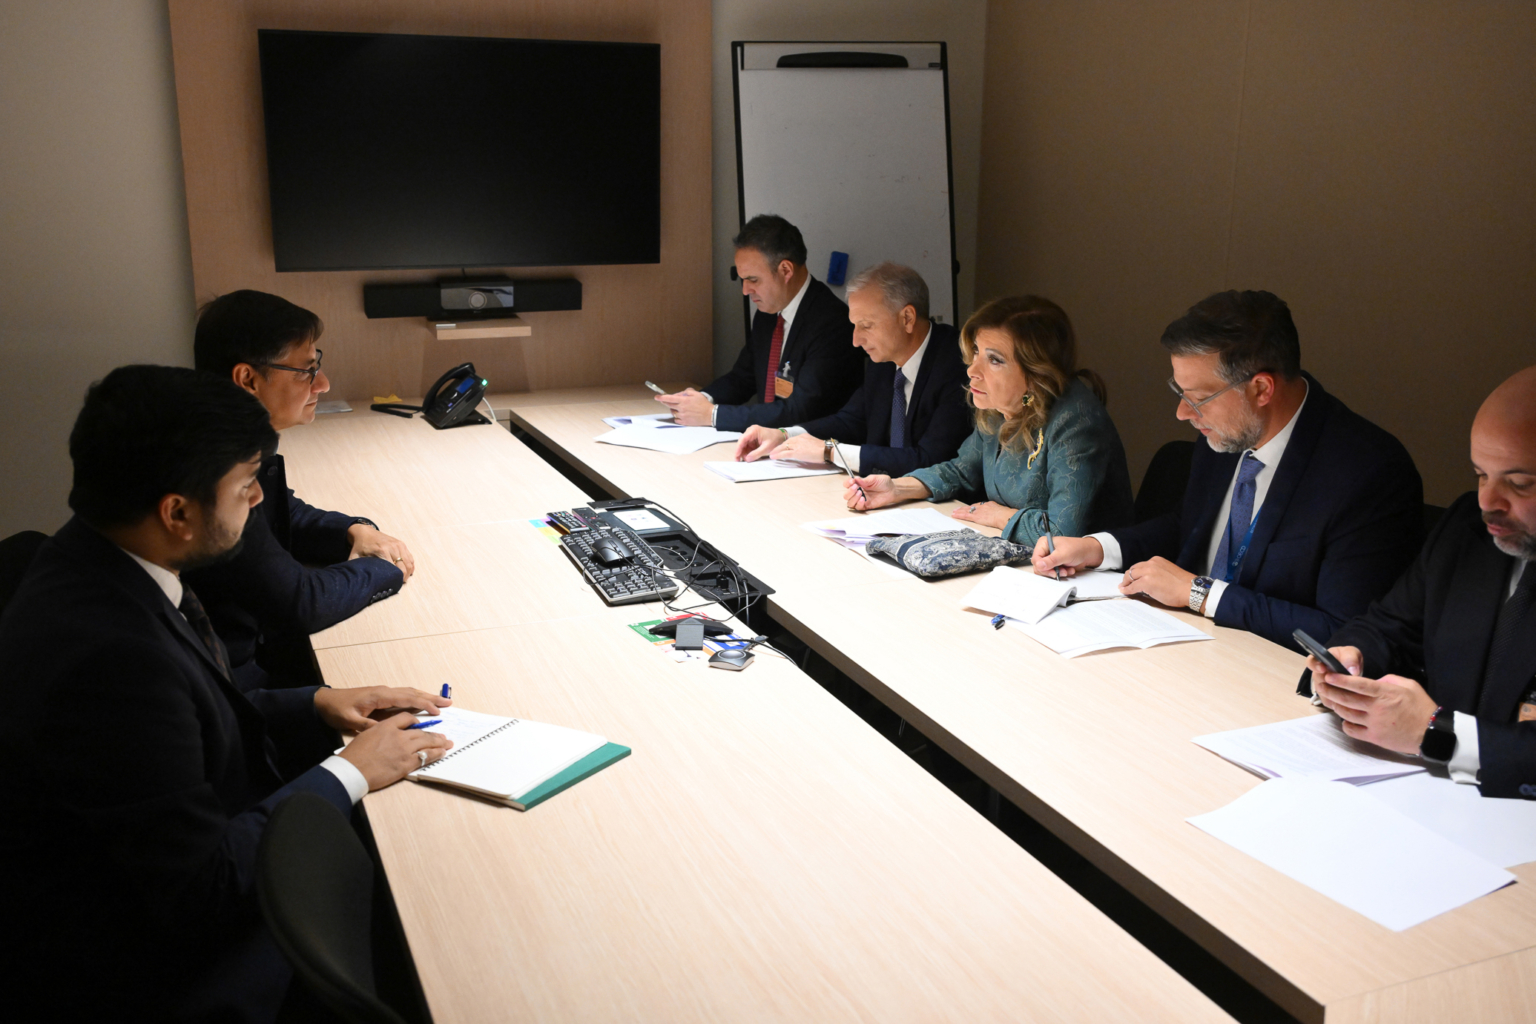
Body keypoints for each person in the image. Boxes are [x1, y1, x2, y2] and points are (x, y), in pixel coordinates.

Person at [0, 366, 453, 1022]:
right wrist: (347, 773)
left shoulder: (92, 560)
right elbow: (201, 889)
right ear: (178, 512)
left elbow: (174, 725)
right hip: (145, 964)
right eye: (245, 487)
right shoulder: (111, 660)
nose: (258, 502)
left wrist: (313, 702)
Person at [1034, 290, 1423, 649]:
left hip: (1265, 678)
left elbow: (1343, 631)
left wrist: (1200, 593)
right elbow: (1190, 528)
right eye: (1180, 392)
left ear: (1261, 389)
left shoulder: (1368, 473)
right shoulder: (1225, 432)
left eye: (1199, 398)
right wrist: (1098, 548)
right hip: (1180, 644)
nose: (1182, 413)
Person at [1305, 366, 1536, 798]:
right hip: (1427, 795)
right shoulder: (1468, 529)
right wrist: (1351, 659)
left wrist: (1436, 734)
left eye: (1519, 484)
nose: (1488, 501)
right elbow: (1388, 625)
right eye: (1481, 474)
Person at [188, 289, 411, 690]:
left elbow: (280, 510)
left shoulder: (228, 434)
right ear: (248, 379)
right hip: (231, 689)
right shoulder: (214, 470)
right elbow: (300, 603)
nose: (322, 384)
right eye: (306, 370)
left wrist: (354, 530)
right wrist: (385, 570)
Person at [844, 295, 1134, 546]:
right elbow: (960, 470)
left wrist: (999, 516)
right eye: (976, 353)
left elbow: (1063, 533)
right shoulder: (1003, 404)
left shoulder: (1076, 424)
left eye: (994, 360)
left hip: (1087, 583)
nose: (973, 370)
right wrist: (897, 488)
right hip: (1024, 561)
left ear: (1037, 373)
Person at [731, 262, 971, 477]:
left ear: (907, 318)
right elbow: (851, 420)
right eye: (854, 326)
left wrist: (831, 452)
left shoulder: (957, 366)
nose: (856, 340)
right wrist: (785, 435)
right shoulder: (883, 360)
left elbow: (929, 460)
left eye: (866, 326)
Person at [657, 214, 863, 430]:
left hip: (813, 449)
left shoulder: (832, 323)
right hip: (771, 444)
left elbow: (802, 410)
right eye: (742, 280)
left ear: (786, 270)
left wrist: (713, 415)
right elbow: (743, 377)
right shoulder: (768, 312)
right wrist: (701, 399)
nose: (746, 291)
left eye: (753, 280)